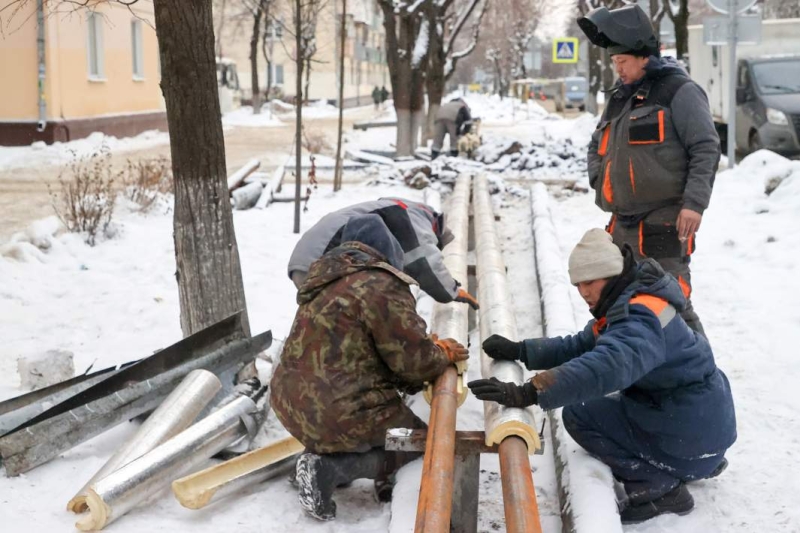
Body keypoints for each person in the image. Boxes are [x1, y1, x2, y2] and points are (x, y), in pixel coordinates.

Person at [468, 228, 736, 524]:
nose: (583, 292)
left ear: (609, 275)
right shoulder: (633, 300)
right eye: (577, 284)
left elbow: (603, 366)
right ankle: (694, 460)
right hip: (703, 426)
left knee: (580, 414)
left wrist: (528, 393)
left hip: (693, 434)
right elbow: (581, 346)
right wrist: (521, 350)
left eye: (589, 282)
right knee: (606, 396)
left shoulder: (639, 319)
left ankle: (659, 488)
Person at [271, 214, 469, 521]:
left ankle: (323, 454)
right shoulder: (381, 284)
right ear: (386, 250)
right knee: (417, 443)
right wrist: (441, 352)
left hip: (289, 405)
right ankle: (330, 468)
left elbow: (356, 350)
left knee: (346, 424)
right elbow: (415, 363)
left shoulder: (322, 281)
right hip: (338, 409)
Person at [578, 4, 721, 335]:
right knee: (619, 306)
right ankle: (637, 378)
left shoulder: (679, 92)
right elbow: (596, 144)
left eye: (623, 62)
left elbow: (705, 147)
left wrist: (694, 204)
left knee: (671, 307)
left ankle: (702, 379)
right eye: (615, 63)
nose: (619, 70)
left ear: (643, 55)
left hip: (663, 223)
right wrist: (600, 179)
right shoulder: (620, 98)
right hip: (621, 226)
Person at [287, 197, 479, 308]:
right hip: (320, 259)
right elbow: (423, 261)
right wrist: (451, 291)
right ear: (436, 227)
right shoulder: (416, 216)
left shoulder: (393, 207)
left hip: (308, 259)